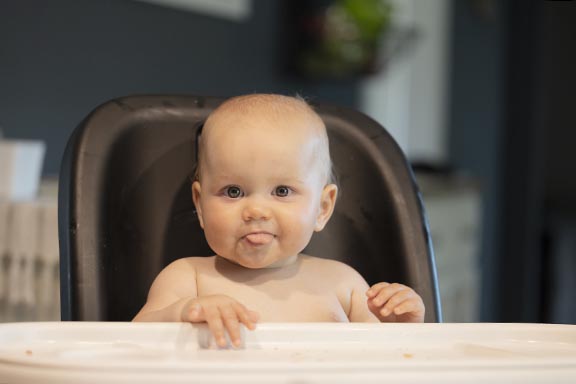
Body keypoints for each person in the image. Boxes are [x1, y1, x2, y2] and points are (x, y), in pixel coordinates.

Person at [133, 94, 425, 348]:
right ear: (200, 204)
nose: (256, 211)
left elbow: (381, 363)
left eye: (282, 191)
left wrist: (399, 328)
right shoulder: (189, 277)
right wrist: (184, 312)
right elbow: (131, 338)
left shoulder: (344, 284)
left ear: (322, 208)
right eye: (233, 192)